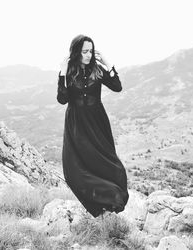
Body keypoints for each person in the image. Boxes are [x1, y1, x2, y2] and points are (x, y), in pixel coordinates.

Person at [56, 34, 129, 218]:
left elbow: (117, 86)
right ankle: (96, 206)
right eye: (84, 51)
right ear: (76, 52)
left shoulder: (97, 70)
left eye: (91, 51)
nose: (88, 55)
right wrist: (63, 72)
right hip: (77, 125)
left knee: (107, 163)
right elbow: (62, 99)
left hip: (97, 122)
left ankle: (113, 199)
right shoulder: (69, 72)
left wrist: (107, 62)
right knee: (75, 168)